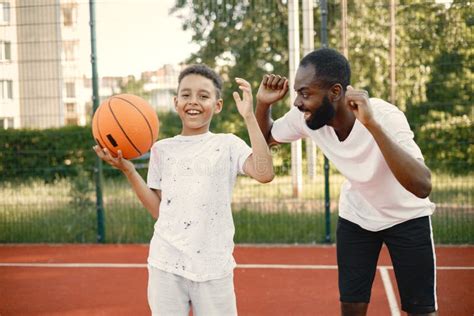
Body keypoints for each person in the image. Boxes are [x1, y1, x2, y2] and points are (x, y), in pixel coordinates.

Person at [255, 48, 437, 316]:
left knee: (421, 310)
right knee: (352, 307)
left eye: (305, 93)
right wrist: (263, 104)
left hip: (407, 217)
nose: (296, 102)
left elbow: (422, 186)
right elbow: (266, 138)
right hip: (358, 217)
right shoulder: (305, 118)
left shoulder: (385, 116)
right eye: (297, 93)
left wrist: (372, 125)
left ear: (335, 92)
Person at [93, 64, 274, 315]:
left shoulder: (228, 145)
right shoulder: (162, 150)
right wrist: (129, 171)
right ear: (176, 102)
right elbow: (158, 210)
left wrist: (249, 117)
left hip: (213, 266)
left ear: (218, 105)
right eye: (186, 95)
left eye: (203, 96)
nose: (193, 102)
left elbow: (264, 173)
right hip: (166, 263)